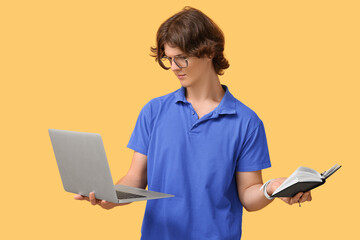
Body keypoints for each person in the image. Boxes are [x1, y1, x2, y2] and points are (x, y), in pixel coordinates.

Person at [74, 6, 312, 240]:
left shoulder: (247, 122)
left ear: (209, 52)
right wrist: (110, 196)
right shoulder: (153, 111)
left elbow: (249, 196)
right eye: (169, 59)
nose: (174, 67)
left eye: (182, 58)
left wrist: (271, 189)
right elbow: (136, 179)